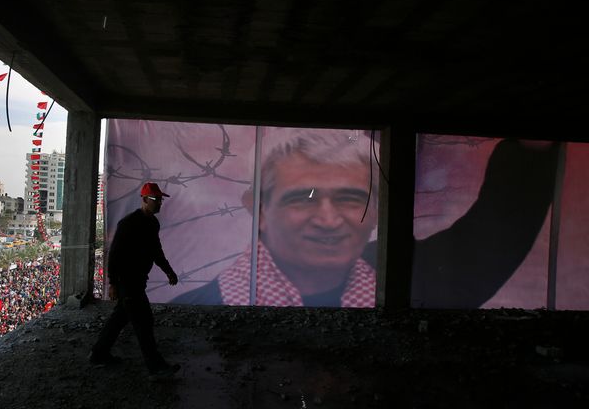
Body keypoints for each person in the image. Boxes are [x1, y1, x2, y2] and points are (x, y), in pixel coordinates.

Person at [172, 130, 559, 308]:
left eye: (351, 198)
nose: (328, 219)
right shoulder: (201, 306)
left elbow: (493, 234)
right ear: (257, 209)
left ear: (377, 211)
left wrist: (533, 150)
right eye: (303, 198)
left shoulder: (410, 277)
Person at [89, 182, 181, 380]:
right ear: (144, 199)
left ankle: (99, 354)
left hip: (138, 280)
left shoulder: (152, 224)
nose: (159, 204)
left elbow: (157, 251)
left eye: (161, 200)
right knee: (143, 322)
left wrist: (169, 271)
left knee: (119, 318)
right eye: (155, 200)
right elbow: (114, 255)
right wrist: (113, 283)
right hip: (127, 281)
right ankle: (156, 368)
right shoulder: (128, 223)